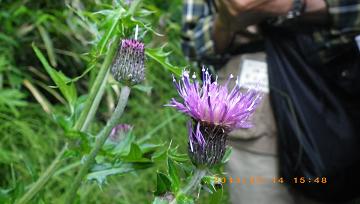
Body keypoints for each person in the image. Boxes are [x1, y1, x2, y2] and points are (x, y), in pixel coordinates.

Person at [181, 0, 360, 204]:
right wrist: (226, 21)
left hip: (330, 91)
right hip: (253, 115)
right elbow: (193, 44)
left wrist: (291, 6)